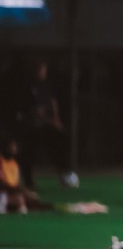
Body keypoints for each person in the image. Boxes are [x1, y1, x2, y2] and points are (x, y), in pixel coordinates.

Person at [15, 60, 79, 189]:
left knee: (58, 149)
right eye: (42, 70)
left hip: (46, 126)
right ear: (36, 70)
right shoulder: (29, 86)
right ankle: (28, 181)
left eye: (45, 70)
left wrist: (56, 119)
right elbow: (29, 108)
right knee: (29, 154)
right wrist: (39, 113)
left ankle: (65, 175)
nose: (43, 72)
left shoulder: (46, 85)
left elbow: (53, 101)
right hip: (32, 127)